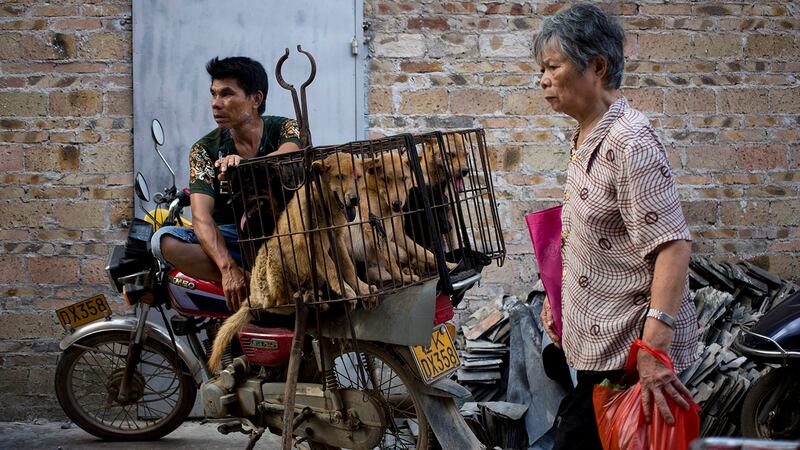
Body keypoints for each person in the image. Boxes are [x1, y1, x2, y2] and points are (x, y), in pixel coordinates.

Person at [533, 4, 699, 449]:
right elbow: (592, 238)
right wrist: (559, 302)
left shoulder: (630, 141)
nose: (543, 79)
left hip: (628, 352)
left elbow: (673, 246)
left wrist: (653, 352)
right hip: (598, 345)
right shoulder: (588, 134)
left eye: (552, 66)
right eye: (541, 69)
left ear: (597, 67)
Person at [151, 56, 301, 312]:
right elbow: (201, 217)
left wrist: (244, 166)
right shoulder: (204, 150)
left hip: (283, 231)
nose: (215, 104)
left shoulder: (284, 127)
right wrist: (227, 268)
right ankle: (251, 284)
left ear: (255, 99)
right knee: (163, 241)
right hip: (234, 240)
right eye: (213, 94)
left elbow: (290, 153)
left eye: (226, 94)